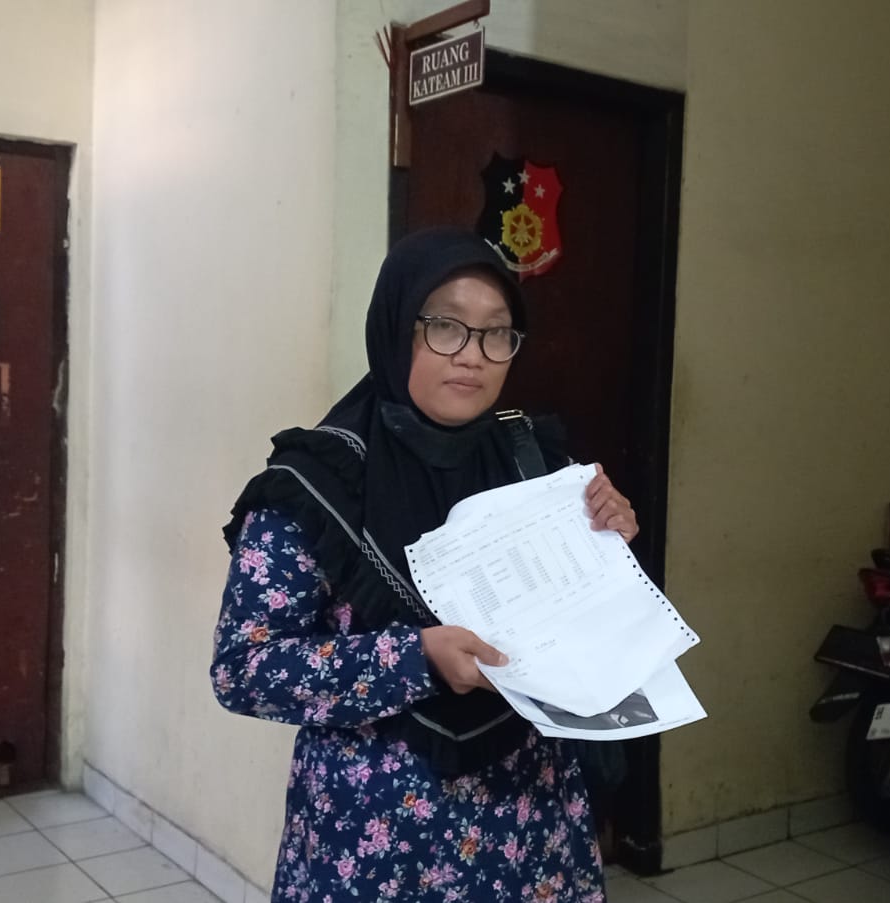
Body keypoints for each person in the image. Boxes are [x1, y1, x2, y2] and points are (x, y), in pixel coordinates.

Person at [211, 228, 638, 902]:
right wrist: (416, 658)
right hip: (378, 841)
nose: (472, 354)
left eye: (496, 333)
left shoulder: (532, 460)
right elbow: (244, 670)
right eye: (445, 326)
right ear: (396, 327)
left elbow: (579, 622)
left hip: (531, 826)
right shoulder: (317, 485)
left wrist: (608, 544)